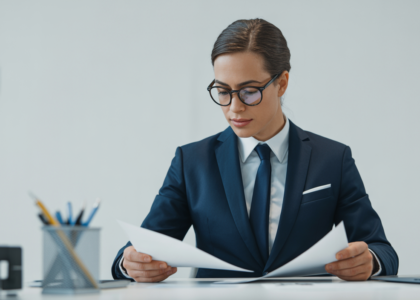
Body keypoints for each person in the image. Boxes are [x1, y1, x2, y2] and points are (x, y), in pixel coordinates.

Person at [111, 18, 398, 283]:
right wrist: (131, 264)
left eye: (249, 91)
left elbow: (381, 250)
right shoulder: (191, 162)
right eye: (223, 91)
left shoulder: (333, 159)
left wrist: (369, 261)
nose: (234, 107)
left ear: (282, 83)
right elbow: (138, 249)